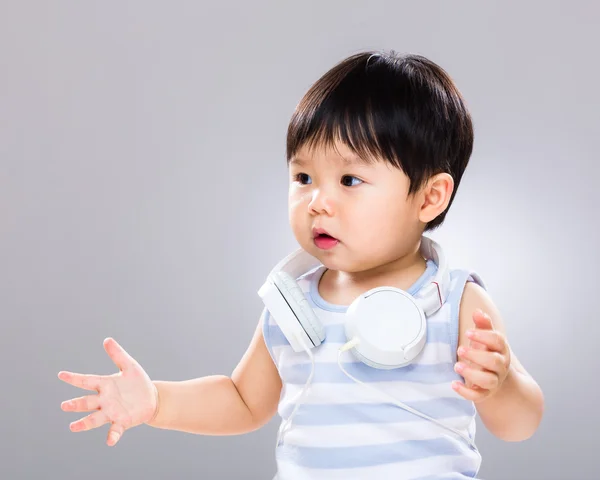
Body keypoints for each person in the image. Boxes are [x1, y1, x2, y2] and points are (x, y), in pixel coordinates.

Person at [58, 50, 544, 479]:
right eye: (304, 176)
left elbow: (520, 425)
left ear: (430, 197)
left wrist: (497, 386)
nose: (318, 201)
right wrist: (157, 403)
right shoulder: (291, 306)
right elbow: (243, 401)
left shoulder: (456, 301)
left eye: (350, 180)